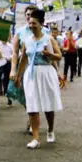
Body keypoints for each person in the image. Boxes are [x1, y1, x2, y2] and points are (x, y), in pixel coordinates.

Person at [15, 9, 63, 149]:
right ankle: (35, 138)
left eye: (34, 23)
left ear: (41, 24)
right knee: (32, 106)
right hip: (31, 74)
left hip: (46, 73)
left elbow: (59, 56)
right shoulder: (27, 41)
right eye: (30, 23)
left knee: (48, 105)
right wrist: (18, 76)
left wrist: (50, 54)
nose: (31, 26)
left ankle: (50, 129)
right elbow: (23, 59)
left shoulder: (48, 39)